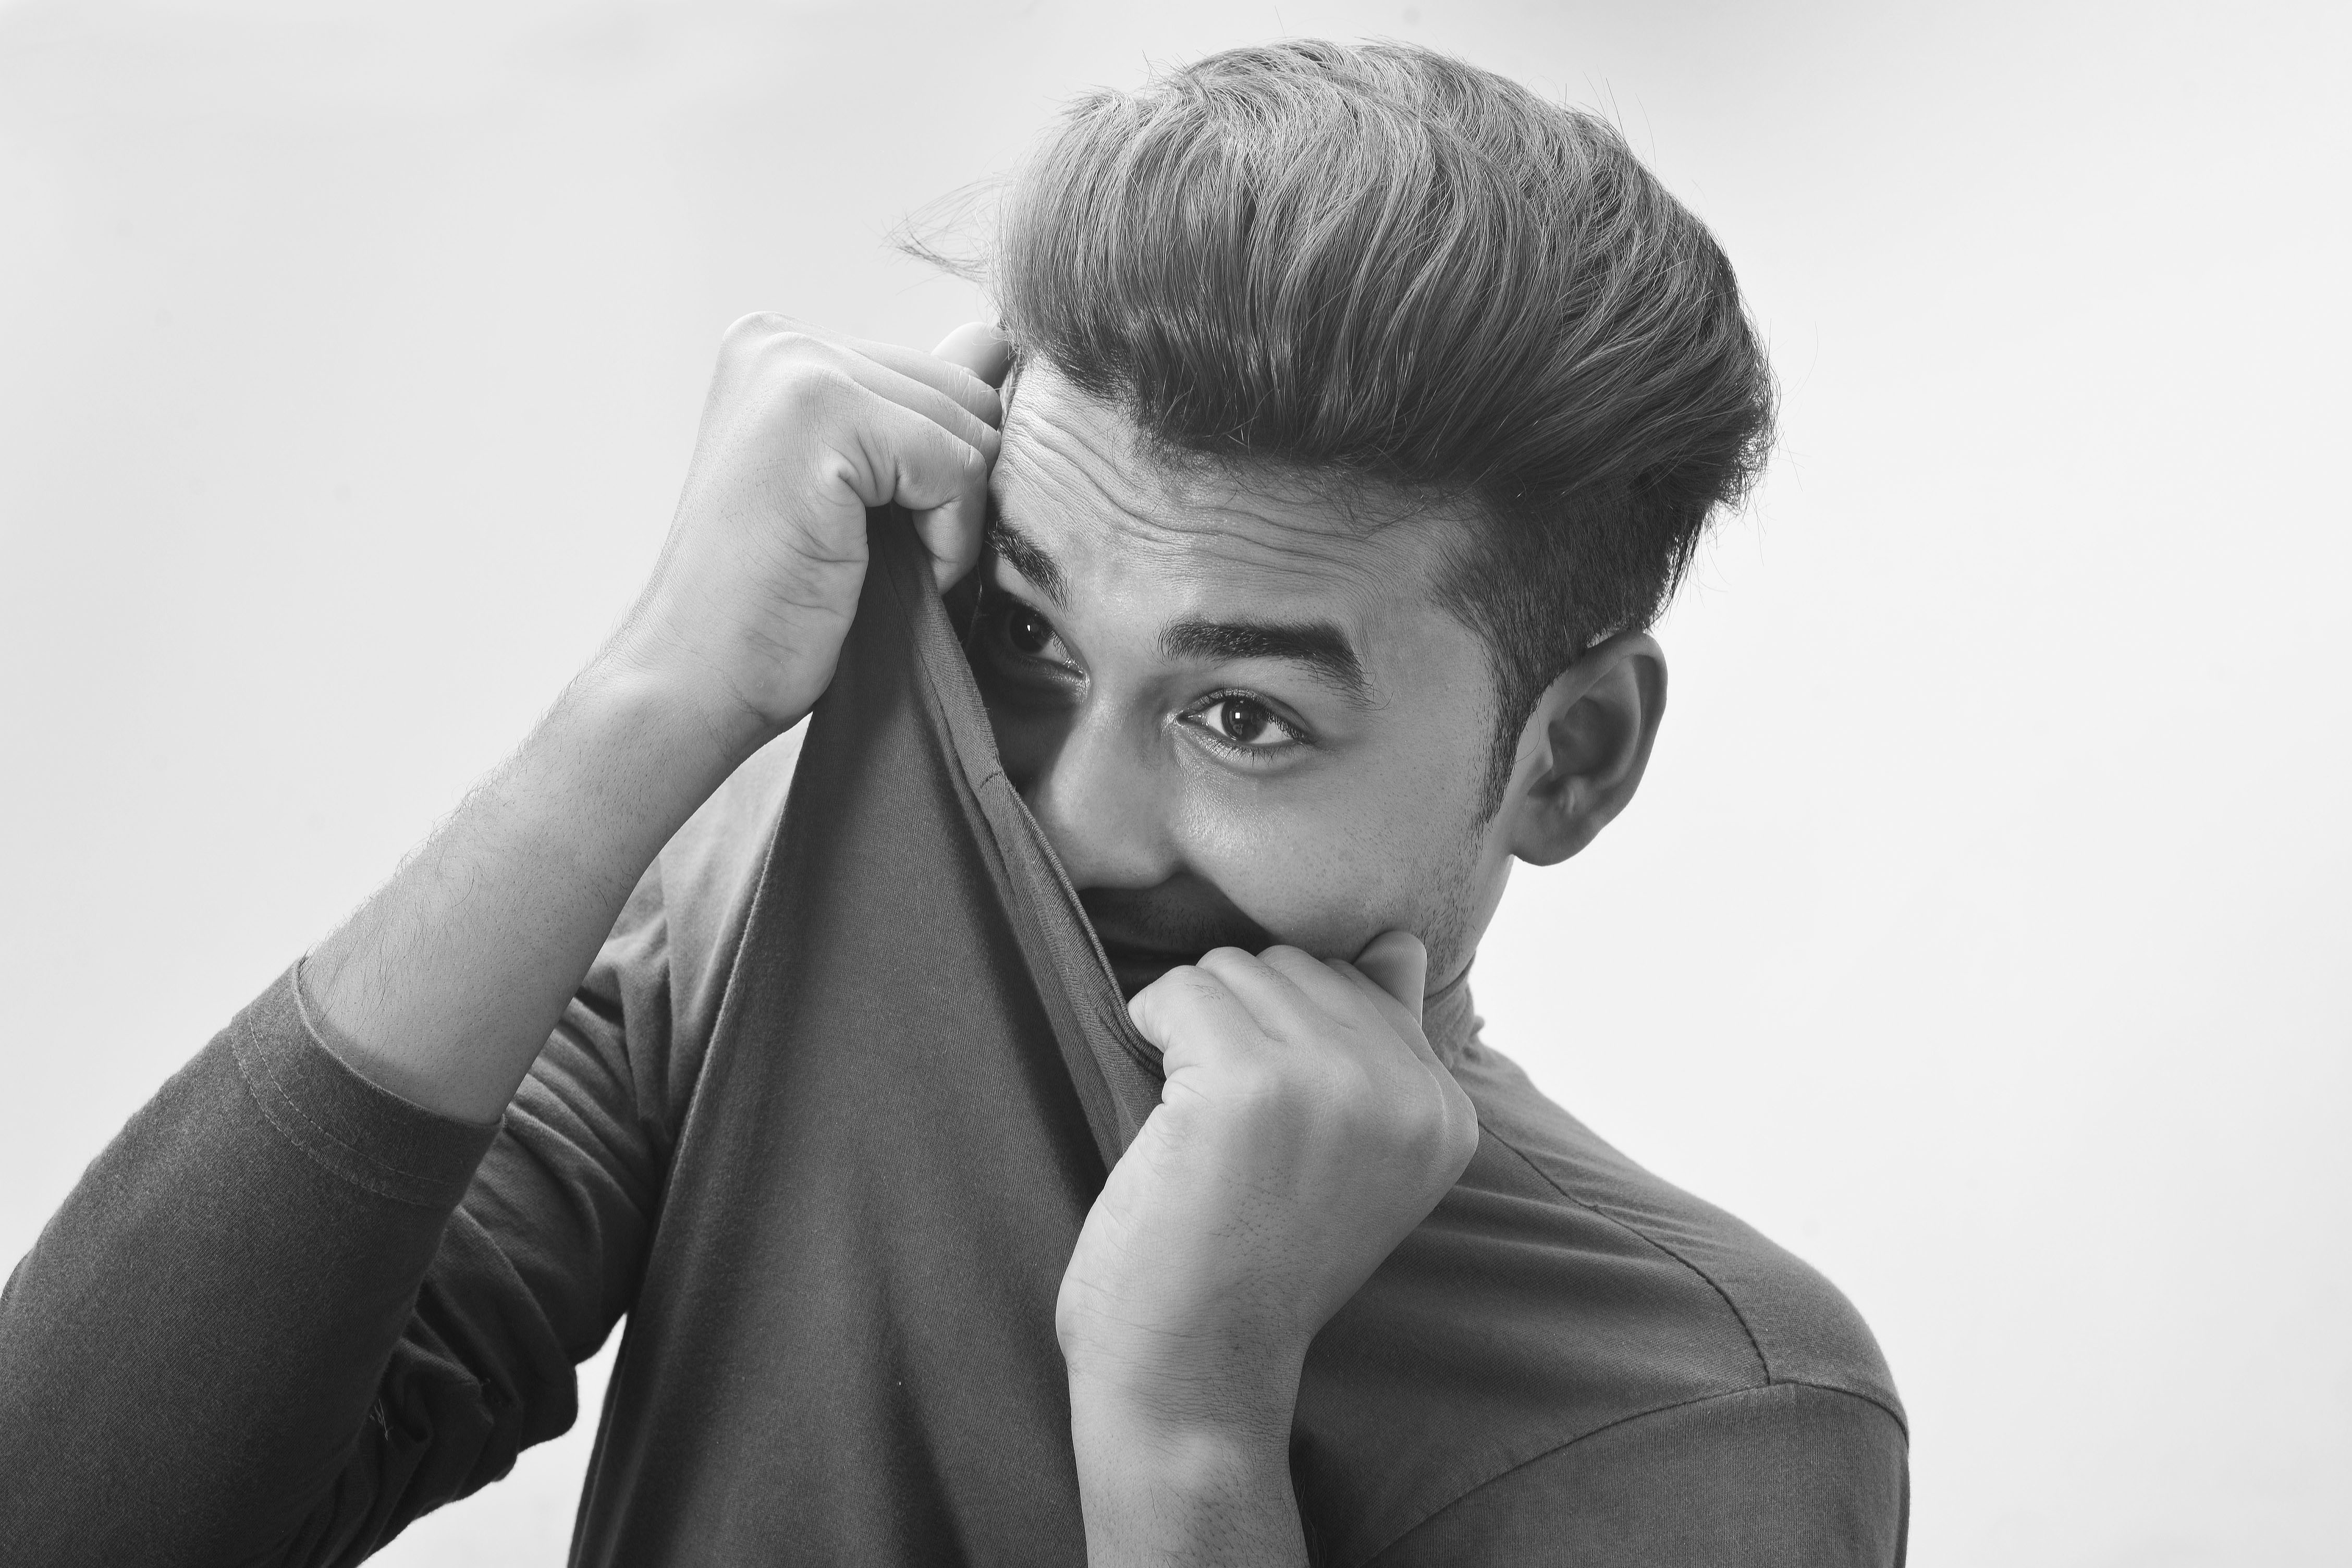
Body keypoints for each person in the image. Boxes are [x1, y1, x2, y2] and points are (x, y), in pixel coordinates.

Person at [0, 39, 1906, 1567]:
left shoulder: (1709, 1408)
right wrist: (655, 693)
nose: (1073, 819)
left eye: (1242, 715)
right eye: (1027, 630)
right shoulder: (764, 930)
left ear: (1572, 756)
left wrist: (1186, 1420)